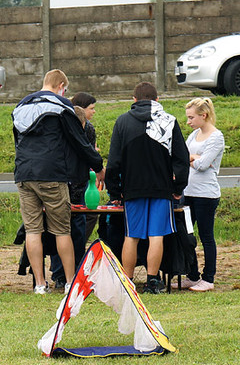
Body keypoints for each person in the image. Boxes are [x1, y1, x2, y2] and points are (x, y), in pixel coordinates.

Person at [11, 70, 104, 295]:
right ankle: (71, 283)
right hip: (52, 174)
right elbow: (80, 142)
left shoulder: (20, 107)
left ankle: (40, 285)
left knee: (33, 230)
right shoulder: (62, 107)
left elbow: (18, 141)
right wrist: (98, 166)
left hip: (24, 174)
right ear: (61, 85)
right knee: (62, 230)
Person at [105, 82, 190, 294]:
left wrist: (115, 191)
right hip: (161, 189)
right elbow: (181, 159)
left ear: (134, 100)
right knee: (156, 236)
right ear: (157, 100)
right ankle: (153, 280)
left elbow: (114, 160)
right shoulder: (169, 121)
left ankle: (128, 281)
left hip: (132, 189)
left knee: (131, 236)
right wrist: (178, 187)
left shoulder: (123, 122)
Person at [172, 97, 224, 292]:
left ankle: (208, 278)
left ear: (204, 115)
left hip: (206, 195)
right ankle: (192, 275)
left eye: (191, 117)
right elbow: (182, 157)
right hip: (189, 192)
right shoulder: (194, 135)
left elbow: (202, 165)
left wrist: (192, 159)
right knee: (186, 235)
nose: (188, 122)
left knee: (206, 236)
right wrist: (194, 158)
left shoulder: (216, 137)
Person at [49, 106, 90, 289]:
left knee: (78, 232)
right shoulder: (58, 138)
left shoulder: (87, 131)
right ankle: (59, 273)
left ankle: (77, 271)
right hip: (61, 188)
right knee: (60, 231)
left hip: (79, 189)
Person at [71, 92, 100, 240]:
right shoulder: (87, 128)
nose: (94, 111)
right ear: (81, 109)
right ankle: (78, 247)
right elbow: (89, 155)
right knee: (87, 215)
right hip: (79, 182)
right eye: (91, 108)